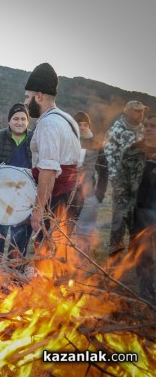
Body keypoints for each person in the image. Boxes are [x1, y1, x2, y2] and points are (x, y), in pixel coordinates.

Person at [22, 62, 81, 277]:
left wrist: (38, 209)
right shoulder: (69, 119)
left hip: (57, 198)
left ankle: (42, 298)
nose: (25, 103)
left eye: (27, 97)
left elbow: (48, 170)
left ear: (39, 96)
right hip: (71, 195)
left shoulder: (48, 124)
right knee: (59, 248)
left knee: (44, 252)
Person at [0, 103, 33, 260]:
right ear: (9, 120)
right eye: (16, 118)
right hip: (0, 199)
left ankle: (15, 272)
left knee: (20, 238)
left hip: (25, 198)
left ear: (28, 121)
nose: (19, 122)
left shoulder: (34, 139)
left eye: (23, 119)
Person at [116, 113, 156, 302]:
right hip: (137, 211)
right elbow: (121, 181)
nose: (148, 128)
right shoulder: (133, 150)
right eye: (146, 125)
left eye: (153, 126)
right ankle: (145, 295)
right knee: (141, 253)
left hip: (154, 211)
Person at [103, 100, 147, 264]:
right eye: (137, 111)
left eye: (142, 111)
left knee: (137, 222)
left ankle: (134, 261)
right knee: (119, 222)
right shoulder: (116, 130)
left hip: (140, 185)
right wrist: (116, 181)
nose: (140, 114)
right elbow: (109, 155)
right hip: (122, 185)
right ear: (127, 111)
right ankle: (114, 261)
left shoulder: (143, 130)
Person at [70, 111, 108, 253]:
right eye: (79, 124)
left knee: (84, 233)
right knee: (64, 231)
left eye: (85, 124)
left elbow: (104, 171)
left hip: (88, 195)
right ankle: (62, 265)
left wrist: (99, 195)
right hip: (68, 194)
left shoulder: (96, 144)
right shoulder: (67, 140)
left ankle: (80, 267)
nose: (82, 127)